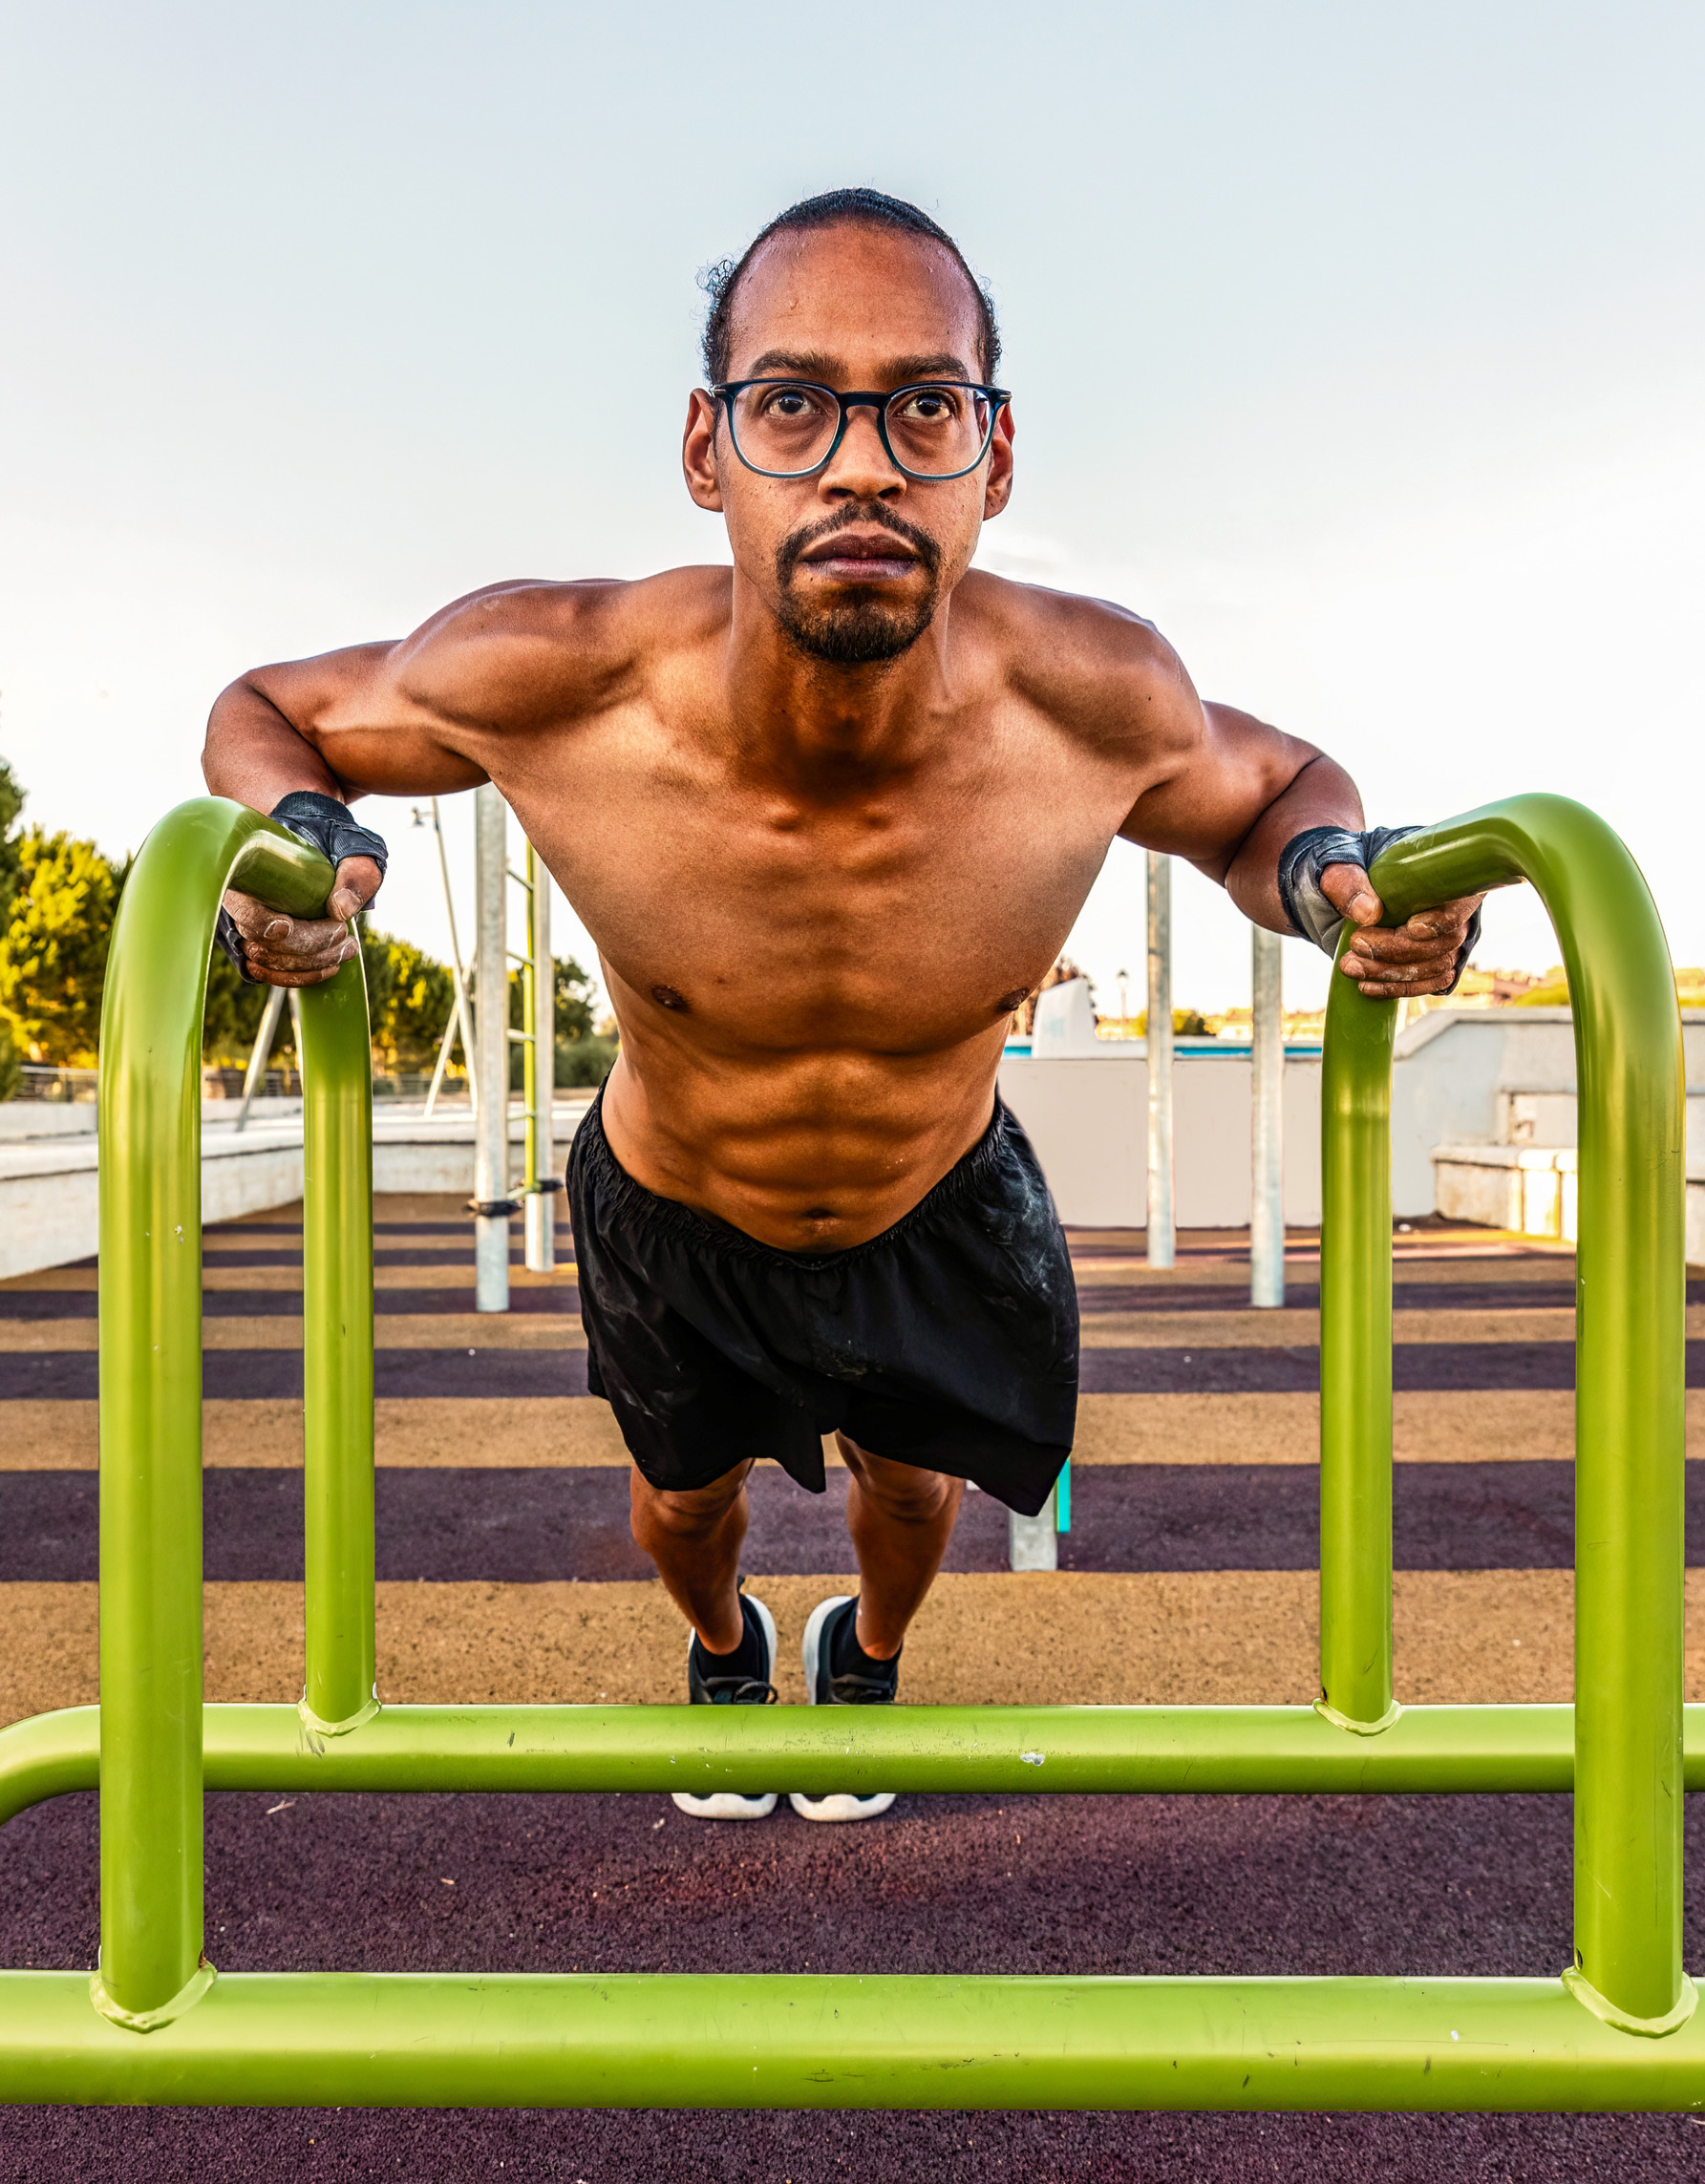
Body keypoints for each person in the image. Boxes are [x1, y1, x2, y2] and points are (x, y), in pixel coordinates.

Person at [202, 187, 1480, 1822]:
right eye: (796, 402)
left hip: (932, 1195)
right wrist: (294, 847)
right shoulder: (559, 676)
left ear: (992, 460)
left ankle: (862, 1652)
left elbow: (1282, 792)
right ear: (708, 449)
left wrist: (1334, 886)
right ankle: (725, 1640)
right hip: (674, 1201)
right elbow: (268, 709)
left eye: (924, 405)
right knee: (682, 1510)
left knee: (919, 1499)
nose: (862, 463)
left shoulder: (1093, 700)